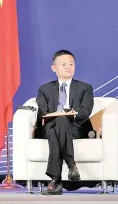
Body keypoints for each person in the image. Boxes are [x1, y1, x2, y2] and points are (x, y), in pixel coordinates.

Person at [34, 50, 94, 195]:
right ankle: (71, 165)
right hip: (49, 126)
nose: (68, 67)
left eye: (71, 64)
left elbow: (85, 112)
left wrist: (63, 113)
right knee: (58, 123)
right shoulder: (44, 89)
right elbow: (44, 113)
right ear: (54, 68)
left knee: (58, 125)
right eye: (64, 64)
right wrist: (63, 114)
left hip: (75, 127)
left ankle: (55, 181)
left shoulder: (85, 88)